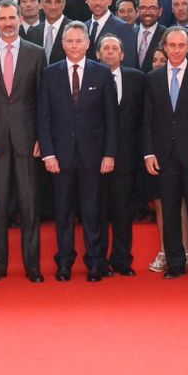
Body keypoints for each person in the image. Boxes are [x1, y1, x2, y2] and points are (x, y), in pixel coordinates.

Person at [38, 23, 118, 281]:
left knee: (93, 212)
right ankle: (64, 262)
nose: (74, 46)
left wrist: (109, 154)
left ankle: (96, 263)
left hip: (93, 157)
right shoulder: (49, 74)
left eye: (78, 41)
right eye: (69, 41)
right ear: (63, 44)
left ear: (87, 44)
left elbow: (111, 118)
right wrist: (48, 154)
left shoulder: (102, 73)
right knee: (63, 212)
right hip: (60, 157)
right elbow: (43, 118)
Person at [0, 2, 46, 282]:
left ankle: (33, 267)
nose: (7, 23)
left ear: (20, 19)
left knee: (30, 206)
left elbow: (43, 100)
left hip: (27, 140)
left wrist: (42, 138)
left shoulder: (36, 53)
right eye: (2, 18)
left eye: (11, 17)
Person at [140, 27, 188, 279]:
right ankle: (175, 263)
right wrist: (148, 153)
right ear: (164, 47)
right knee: (170, 211)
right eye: (171, 45)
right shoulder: (153, 78)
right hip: (164, 156)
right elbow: (147, 119)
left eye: (181, 45)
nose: (175, 50)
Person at [95, 35, 144, 276]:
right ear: (97, 54)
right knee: (98, 211)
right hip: (95, 157)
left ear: (123, 54)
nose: (110, 52)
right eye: (106, 48)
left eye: (115, 48)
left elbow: (143, 118)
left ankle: (122, 260)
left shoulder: (137, 79)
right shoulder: (89, 77)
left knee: (123, 210)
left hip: (126, 157)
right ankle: (99, 261)